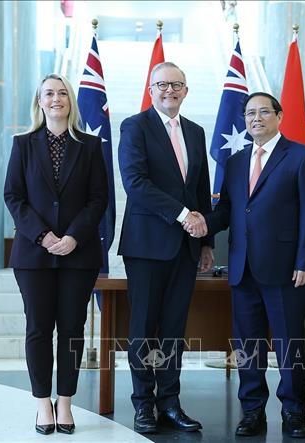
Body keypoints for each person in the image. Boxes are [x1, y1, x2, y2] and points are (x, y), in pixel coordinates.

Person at [199, 92, 305, 438]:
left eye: (264, 112)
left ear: (279, 116)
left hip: (287, 270)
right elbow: (227, 210)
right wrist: (203, 224)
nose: (256, 118)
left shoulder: (301, 157)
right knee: (247, 345)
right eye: (250, 113)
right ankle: (252, 410)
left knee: (289, 343)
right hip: (242, 269)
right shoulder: (236, 162)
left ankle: (293, 410)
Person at [4, 73, 108, 435]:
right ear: (40, 101)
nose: (56, 98)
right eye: (48, 93)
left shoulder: (90, 146)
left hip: (78, 255)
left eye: (62, 93)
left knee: (72, 329)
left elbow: (99, 198)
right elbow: (13, 196)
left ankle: (64, 402)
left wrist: (74, 236)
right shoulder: (23, 144)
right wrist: (44, 236)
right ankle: (41, 404)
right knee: (38, 329)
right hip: (33, 256)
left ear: (70, 101)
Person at [117, 61, 214, 434]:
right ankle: (143, 404)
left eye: (176, 84)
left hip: (186, 248)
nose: (169, 90)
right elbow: (135, 183)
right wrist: (183, 215)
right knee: (143, 328)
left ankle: (170, 403)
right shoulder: (135, 127)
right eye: (162, 84)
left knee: (174, 329)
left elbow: (201, 188)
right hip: (146, 245)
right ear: (150, 89)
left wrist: (206, 242)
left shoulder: (195, 131)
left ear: (186, 91)